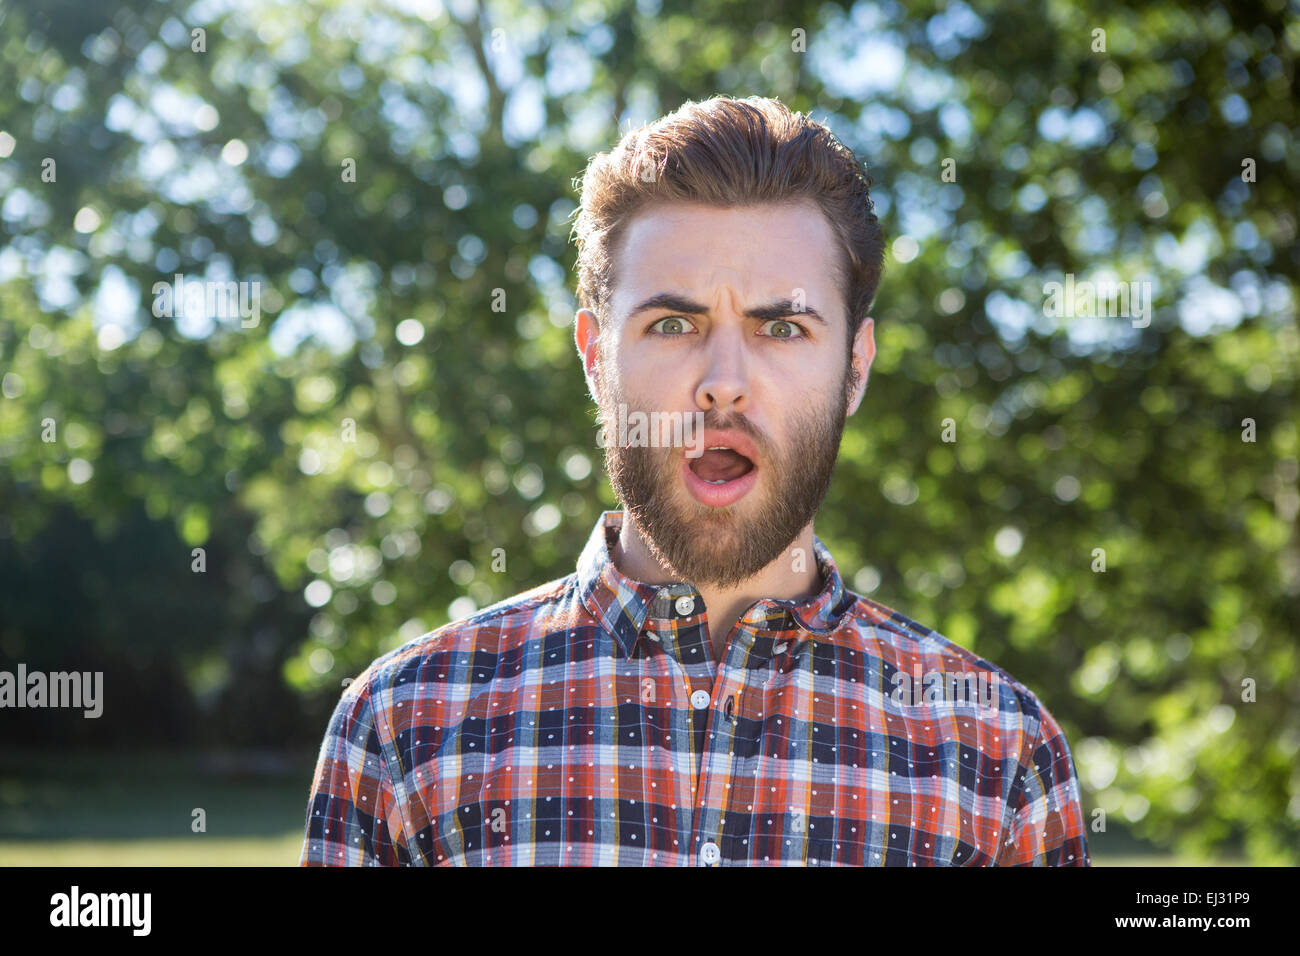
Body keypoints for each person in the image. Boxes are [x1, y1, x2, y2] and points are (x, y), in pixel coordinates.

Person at [299, 94, 1090, 866]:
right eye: (672, 325)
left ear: (854, 368)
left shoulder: (998, 756)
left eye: (781, 327)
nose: (723, 384)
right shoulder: (405, 727)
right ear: (595, 358)